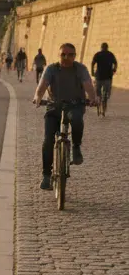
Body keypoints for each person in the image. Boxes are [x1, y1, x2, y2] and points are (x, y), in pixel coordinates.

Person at [34, 42, 100, 190]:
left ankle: (76, 147)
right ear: (58, 55)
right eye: (63, 54)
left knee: (76, 120)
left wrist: (93, 98)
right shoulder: (51, 69)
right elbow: (42, 85)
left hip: (74, 105)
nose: (66, 57)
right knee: (48, 140)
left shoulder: (80, 69)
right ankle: (46, 175)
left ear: (74, 56)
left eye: (70, 55)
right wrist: (38, 97)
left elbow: (88, 85)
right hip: (54, 107)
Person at [91, 42, 117, 117]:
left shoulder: (98, 54)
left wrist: (92, 72)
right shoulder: (110, 54)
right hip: (107, 77)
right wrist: (114, 70)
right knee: (105, 94)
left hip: (99, 77)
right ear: (107, 47)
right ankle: (103, 109)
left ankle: (99, 105)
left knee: (98, 93)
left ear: (101, 47)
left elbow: (93, 63)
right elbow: (115, 63)